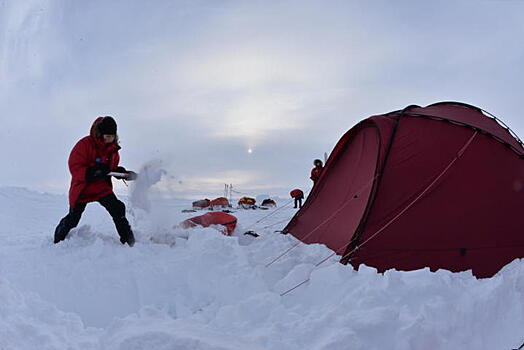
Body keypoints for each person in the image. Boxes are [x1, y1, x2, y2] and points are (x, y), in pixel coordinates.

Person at [54, 116, 137, 246]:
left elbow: (112, 168)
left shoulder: (113, 150)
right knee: (73, 219)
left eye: (111, 136)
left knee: (118, 209)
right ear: (100, 133)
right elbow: (74, 166)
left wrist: (123, 173)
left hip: (101, 188)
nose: (108, 138)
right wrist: (91, 172)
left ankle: (130, 242)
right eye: (106, 135)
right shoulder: (85, 144)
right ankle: (57, 241)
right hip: (83, 188)